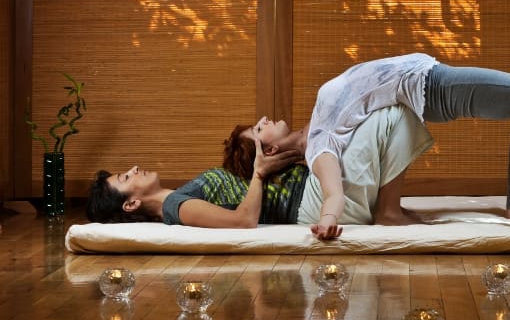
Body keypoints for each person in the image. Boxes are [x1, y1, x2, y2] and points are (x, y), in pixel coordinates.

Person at [235, 53, 510, 238]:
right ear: (271, 151)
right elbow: (333, 192)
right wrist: (328, 221)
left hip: (426, 78)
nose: (263, 119)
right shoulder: (319, 145)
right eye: (258, 129)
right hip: (428, 86)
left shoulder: (316, 128)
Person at [86, 104, 434, 237]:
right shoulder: (175, 205)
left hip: (310, 188)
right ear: (130, 204)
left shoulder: (183, 193)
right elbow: (243, 221)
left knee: (385, 113)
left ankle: (387, 208)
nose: (132, 169)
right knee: (393, 115)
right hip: (307, 204)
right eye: (125, 178)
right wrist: (258, 172)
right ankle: (387, 212)